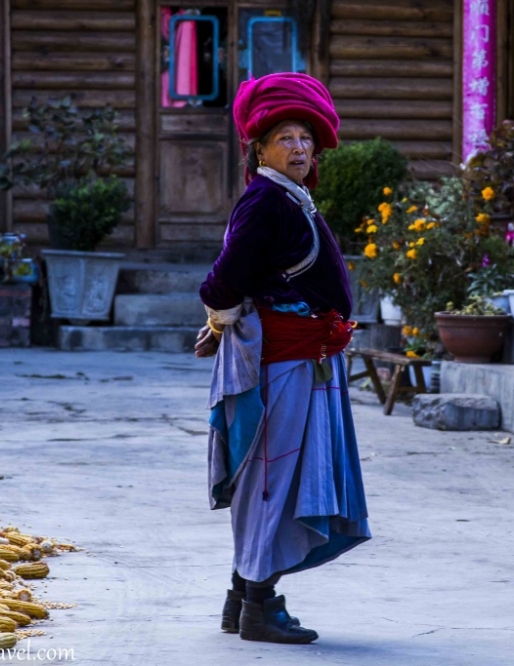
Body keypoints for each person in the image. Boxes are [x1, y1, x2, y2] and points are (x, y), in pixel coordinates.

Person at [195, 72, 371, 645]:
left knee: (270, 479)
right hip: (282, 364)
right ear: (260, 150)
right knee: (273, 481)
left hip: (302, 360)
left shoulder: (287, 196)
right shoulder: (266, 200)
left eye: (305, 138)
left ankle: (240, 599)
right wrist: (220, 319)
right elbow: (222, 282)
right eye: (285, 139)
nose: (299, 148)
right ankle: (260, 608)